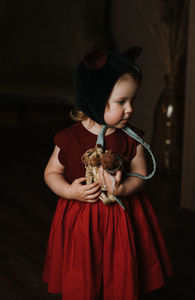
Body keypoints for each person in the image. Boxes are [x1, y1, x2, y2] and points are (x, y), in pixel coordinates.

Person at [42, 48, 173, 300]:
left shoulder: (130, 138)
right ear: (95, 99)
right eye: (122, 102)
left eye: (132, 100)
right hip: (82, 218)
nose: (130, 109)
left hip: (122, 220)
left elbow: (141, 174)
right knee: (83, 272)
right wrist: (70, 191)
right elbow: (51, 173)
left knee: (121, 270)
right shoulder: (69, 139)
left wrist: (123, 189)